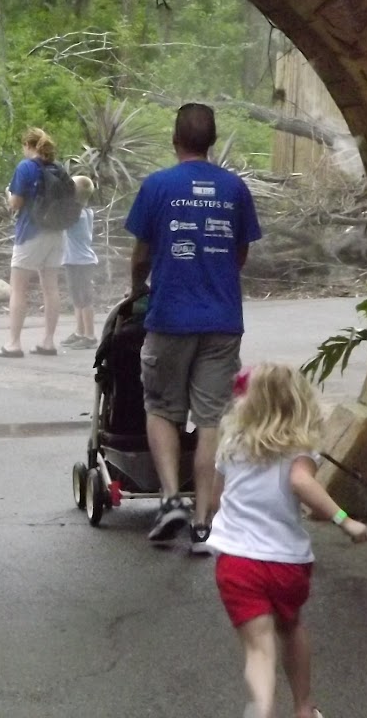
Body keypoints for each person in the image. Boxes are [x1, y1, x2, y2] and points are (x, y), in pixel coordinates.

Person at [124, 102, 260, 550]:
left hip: (170, 317)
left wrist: (136, 289)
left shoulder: (158, 186)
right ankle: (204, 521)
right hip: (223, 321)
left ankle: (169, 499)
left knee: (162, 407)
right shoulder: (235, 188)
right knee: (211, 418)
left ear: (174, 139)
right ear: (213, 140)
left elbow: (142, 254)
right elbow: (240, 255)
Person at [205, 363, 367, 718]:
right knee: (291, 625)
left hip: (237, 563)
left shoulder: (232, 444)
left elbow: (216, 499)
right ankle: (303, 708)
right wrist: (346, 521)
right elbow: (300, 482)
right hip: (286, 563)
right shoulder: (298, 449)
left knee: (259, 648)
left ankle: (262, 707)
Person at [0, 127, 65, 357]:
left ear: (28, 145)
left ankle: (14, 343)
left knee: (18, 288)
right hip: (56, 232)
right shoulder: (57, 168)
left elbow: (15, 203)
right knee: (51, 287)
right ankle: (48, 341)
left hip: (31, 232)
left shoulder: (26, 167)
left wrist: (7, 194)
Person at [59, 175, 99, 349]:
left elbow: (59, 222)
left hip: (82, 261)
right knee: (77, 297)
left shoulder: (79, 216)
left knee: (85, 297)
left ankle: (89, 336)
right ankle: (79, 332)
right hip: (73, 260)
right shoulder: (83, 212)